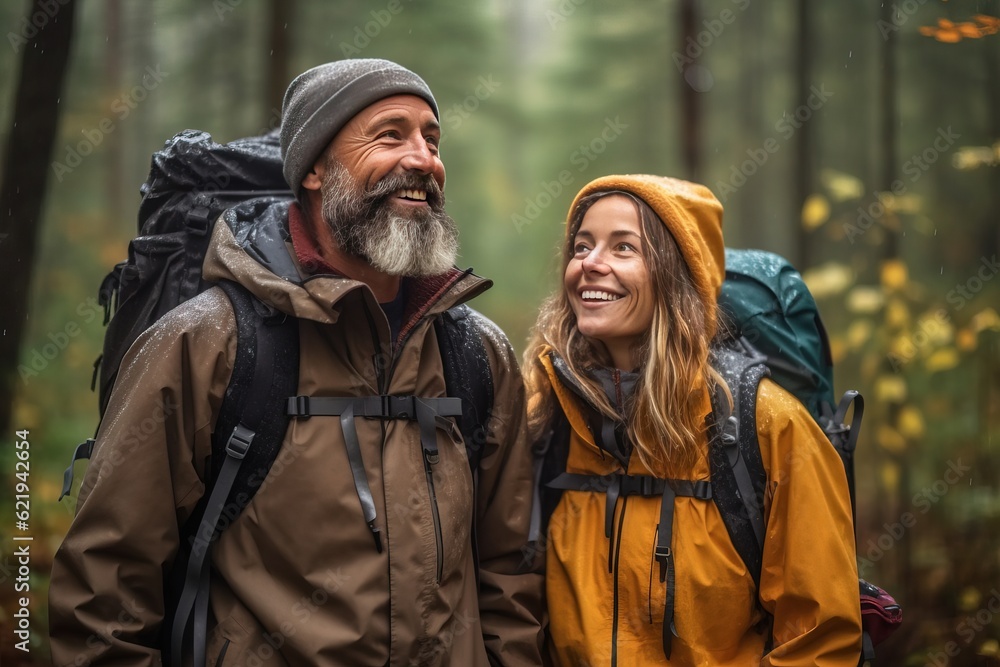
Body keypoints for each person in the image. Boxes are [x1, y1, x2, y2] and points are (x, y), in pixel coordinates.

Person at [49, 59, 543, 666]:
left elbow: (510, 577)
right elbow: (105, 591)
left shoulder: (475, 353)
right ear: (313, 169)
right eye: (391, 134)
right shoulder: (209, 342)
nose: (423, 159)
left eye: (431, 139)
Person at [522, 174, 863, 665]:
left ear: (677, 278)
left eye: (624, 248)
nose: (590, 264)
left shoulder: (767, 427)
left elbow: (820, 640)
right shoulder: (548, 415)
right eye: (582, 245)